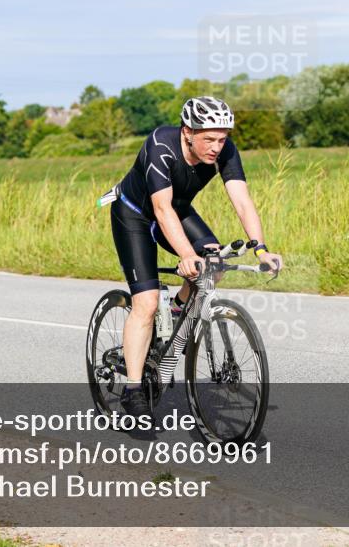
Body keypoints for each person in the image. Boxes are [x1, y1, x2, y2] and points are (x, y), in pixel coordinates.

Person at [107, 96, 283, 419]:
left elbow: (242, 201)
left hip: (177, 210)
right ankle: (133, 389)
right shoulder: (161, 144)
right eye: (209, 139)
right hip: (135, 215)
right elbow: (160, 208)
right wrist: (187, 255)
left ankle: (178, 311)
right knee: (145, 303)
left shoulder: (225, 151)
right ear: (188, 131)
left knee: (213, 262)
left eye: (223, 138)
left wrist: (260, 247)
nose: (217, 147)